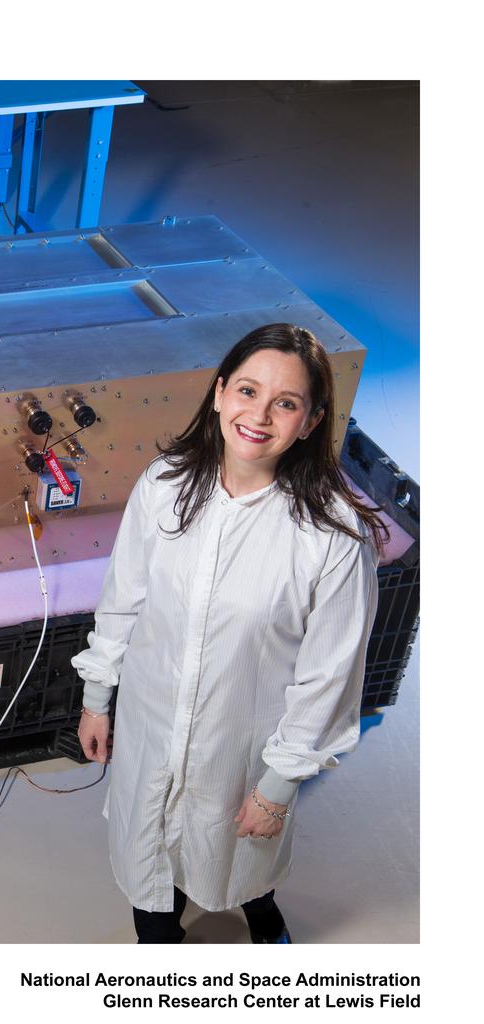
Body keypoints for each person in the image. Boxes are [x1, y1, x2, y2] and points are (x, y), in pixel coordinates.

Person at [72, 323, 387, 944]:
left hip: (241, 745)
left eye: (286, 403)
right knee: (152, 858)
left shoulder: (332, 539)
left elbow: (328, 679)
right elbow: (122, 602)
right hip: (151, 724)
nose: (259, 416)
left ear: (310, 421)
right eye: (248, 391)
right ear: (219, 394)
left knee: (239, 846)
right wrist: (97, 698)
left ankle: (260, 906)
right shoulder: (163, 485)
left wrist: (277, 788)